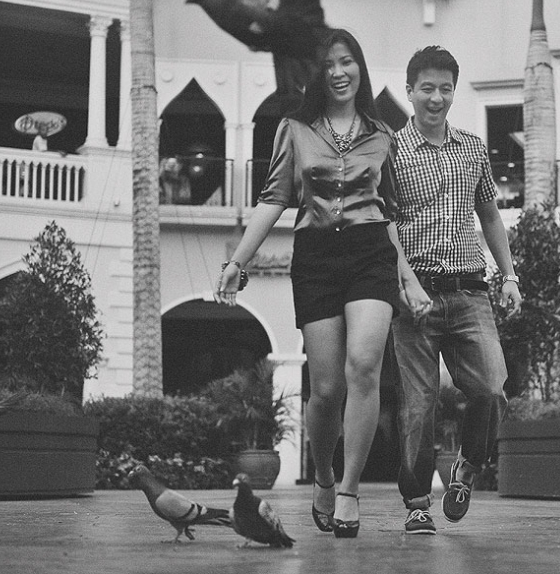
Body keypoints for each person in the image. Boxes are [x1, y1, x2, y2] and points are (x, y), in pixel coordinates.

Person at [215, 28, 410, 539]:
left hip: (371, 253)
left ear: (360, 67)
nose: (339, 72)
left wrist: (406, 275)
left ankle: (349, 489)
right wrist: (237, 261)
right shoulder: (294, 129)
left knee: (364, 367)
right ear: (317, 75)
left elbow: (389, 213)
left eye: (347, 61)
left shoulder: (383, 135)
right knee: (325, 389)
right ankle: (323, 474)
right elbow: (274, 198)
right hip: (316, 257)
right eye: (329, 65)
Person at [390, 46, 522, 535]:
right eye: (427, 88)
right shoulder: (390, 151)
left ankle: (466, 467)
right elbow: (386, 224)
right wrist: (404, 282)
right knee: (418, 404)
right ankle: (417, 503)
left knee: (491, 385)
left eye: (445, 88)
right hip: (415, 296)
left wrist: (509, 275)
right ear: (409, 91)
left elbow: (489, 214)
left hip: (470, 290)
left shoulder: (472, 147)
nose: (437, 97)